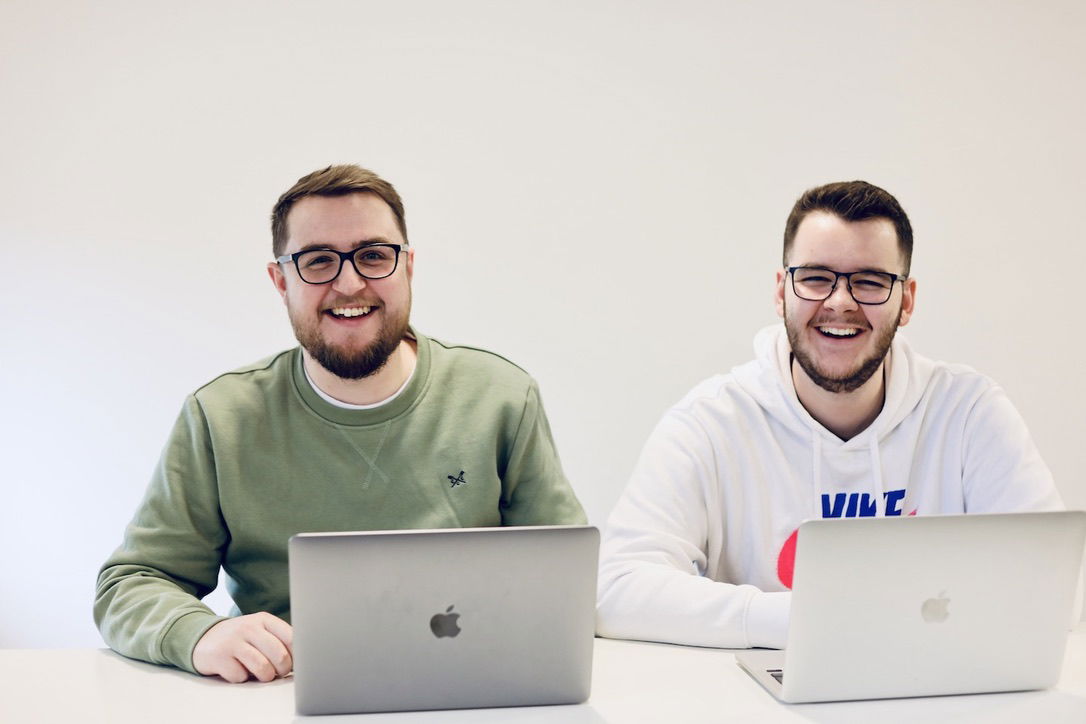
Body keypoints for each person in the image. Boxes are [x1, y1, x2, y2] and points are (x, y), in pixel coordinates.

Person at [95, 164, 586, 682]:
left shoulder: (501, 397)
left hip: (471, 683)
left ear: (408, 268)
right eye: (319, 260)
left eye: (374, 256)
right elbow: (131, 582)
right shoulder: (221, 417)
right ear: (280, 280)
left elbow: (566, 576)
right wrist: (198, 633)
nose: (349, 284)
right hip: (282, 695)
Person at [596, 180, 1062, 650]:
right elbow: (615, 588)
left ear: (907, 300)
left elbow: (1055, 580)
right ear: (782, 292)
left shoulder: (969, 413)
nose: (840, 302)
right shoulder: (710, 423)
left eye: (870, 281)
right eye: (816, 277)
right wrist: (797, 621)